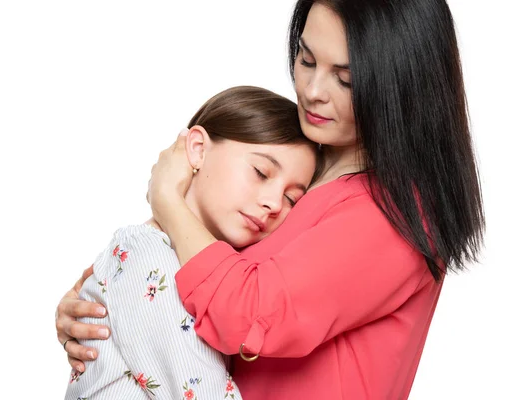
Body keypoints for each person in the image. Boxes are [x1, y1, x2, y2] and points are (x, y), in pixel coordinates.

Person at [56, 1, 485, 398]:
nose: (313, 90)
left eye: (345, 79)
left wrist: (167, 199)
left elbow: (246, 315)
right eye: (306, 59)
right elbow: (187, 275)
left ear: (402, 87)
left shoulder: (396, 215)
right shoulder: (303, 167)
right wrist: (102, 309)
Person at [63, 85, 319, 399]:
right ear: (197, 148)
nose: (274, 204)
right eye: (261, 172)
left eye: (292, 198)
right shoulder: (148, 257)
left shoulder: (224, 278)